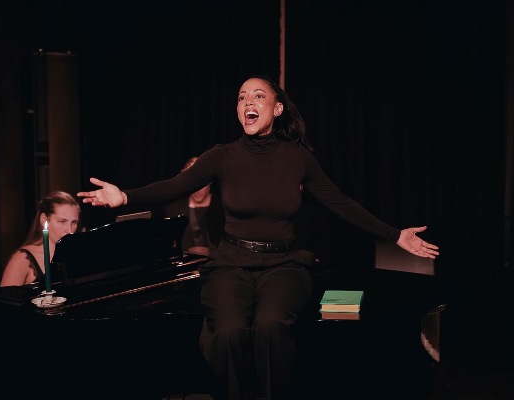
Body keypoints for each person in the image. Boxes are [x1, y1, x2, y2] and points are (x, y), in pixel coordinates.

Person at [77, 75, 439, 400]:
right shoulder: (222, 156)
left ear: (277, 109)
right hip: (231, 265)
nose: (248, 102)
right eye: (241, 97)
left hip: (283, 265)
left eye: (258, 96)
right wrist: (125, 197)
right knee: (229, 332)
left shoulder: (298, 158)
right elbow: (175, 185)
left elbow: (340, 204)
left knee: (270, 327)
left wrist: (394, 235)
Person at [0, 191, 81, 287]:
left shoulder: (77, 254)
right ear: (44, 220)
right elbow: (6, 295)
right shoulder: (22, 259)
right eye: (62, 221)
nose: (69, 230)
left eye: (74, 222)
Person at [162, 156, 224, 255]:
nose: (197, 187)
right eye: (192, 181)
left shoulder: (223, 207)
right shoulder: (174, 208)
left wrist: (210, 251)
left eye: (202, 180)